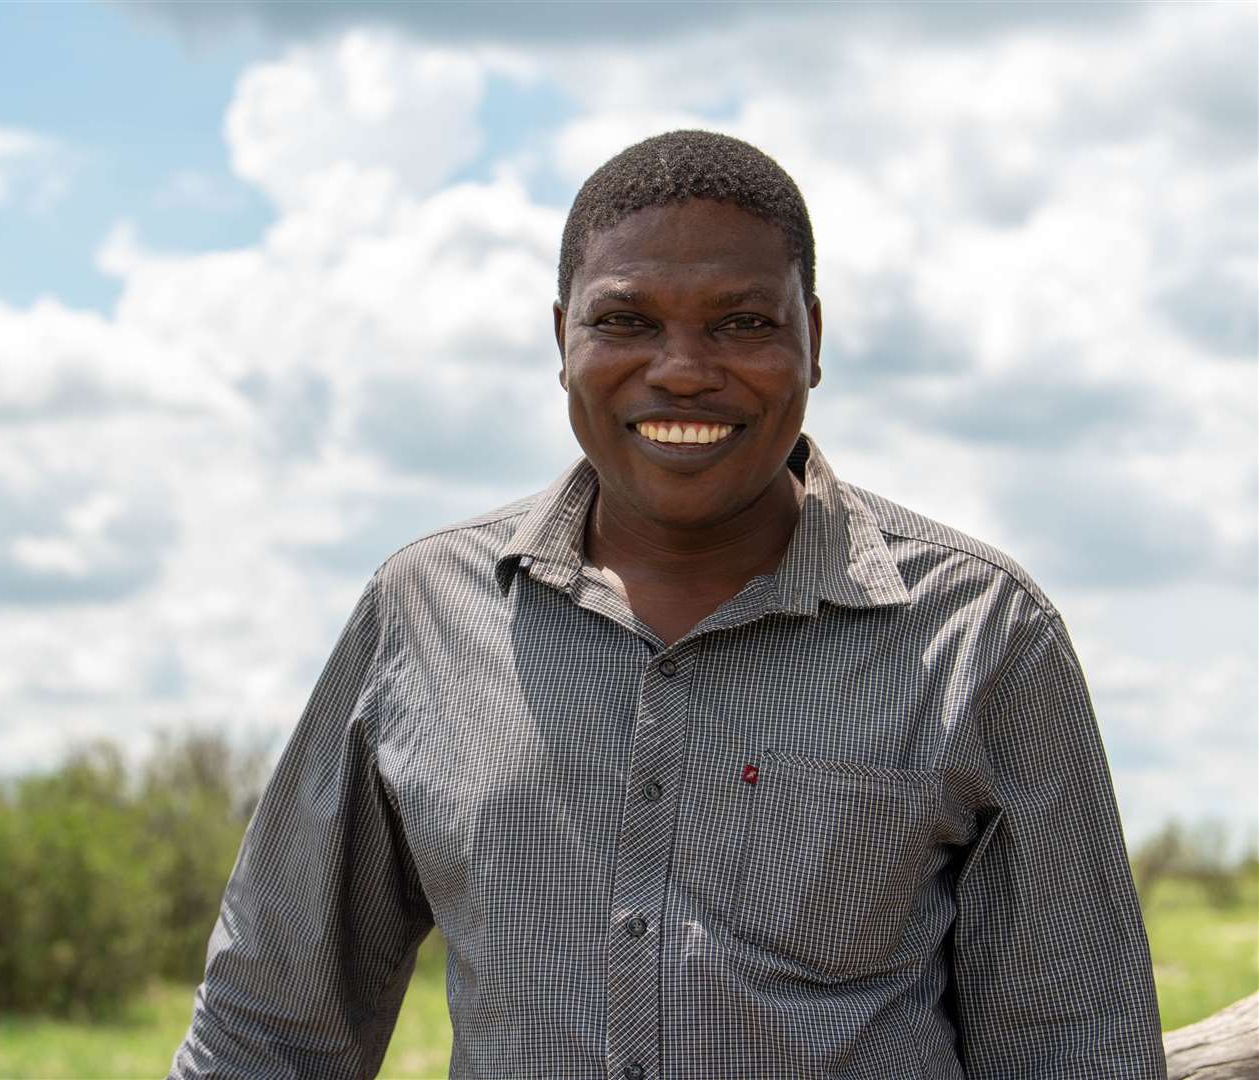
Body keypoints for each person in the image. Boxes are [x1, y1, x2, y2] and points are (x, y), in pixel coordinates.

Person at [169, 130, 1165, 1079]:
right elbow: (268, 1030)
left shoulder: (980, 633)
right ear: (562, 340)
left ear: (813, 340)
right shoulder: (421, 614)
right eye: (626, 321)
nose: (683, 369)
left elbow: (1073, 1048)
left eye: (743, 323)